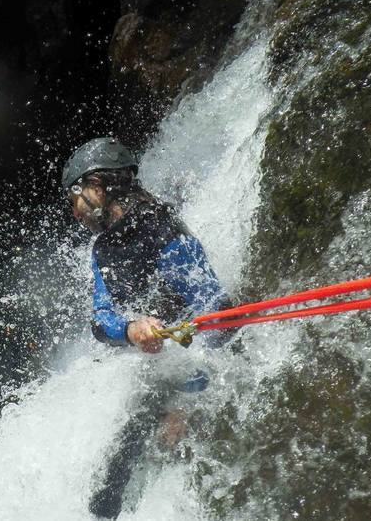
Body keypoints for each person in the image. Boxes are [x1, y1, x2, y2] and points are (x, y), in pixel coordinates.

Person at [62, 137, 232, 518]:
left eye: (75, 195)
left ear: (99, 185)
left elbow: (216, 312)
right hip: (162, 368)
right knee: (109, 480)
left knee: (140, 449)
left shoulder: (162, 227)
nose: (74, 212)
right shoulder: (102, 250)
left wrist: (186, 401)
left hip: (199, 371)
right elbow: (101, 321)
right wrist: (131, 330)